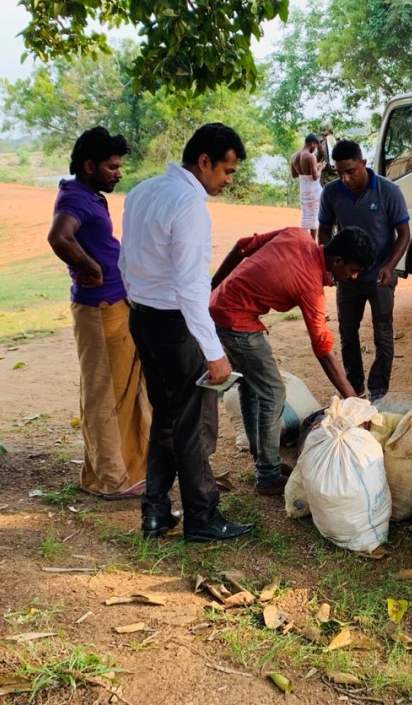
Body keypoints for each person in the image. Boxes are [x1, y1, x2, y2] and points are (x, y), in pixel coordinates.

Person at [118, 123, 254, 542]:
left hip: (142, 317)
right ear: (204, 162)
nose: (228, 181)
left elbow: (125, 261)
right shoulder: (190, 206)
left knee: (166, 415)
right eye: (227, 172)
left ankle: (156, 511)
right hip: (176, 326)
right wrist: (213, 352)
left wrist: (138, 306)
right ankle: (202, 517)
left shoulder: (142, 192)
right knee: (192, 423)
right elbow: (193, 289)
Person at [208, 227, 377, 495]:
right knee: (273, 393)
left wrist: (213, 286)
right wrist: (351, 396)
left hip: (224, 308)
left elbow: (242, 244)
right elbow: (322, 348)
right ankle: (268, 475)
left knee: (253, 387)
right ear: (338, 261)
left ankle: (264, 459)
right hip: (235, 321)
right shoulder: (310, 285)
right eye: (353, 270)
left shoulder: (297, 235)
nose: (352, 277)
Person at [47, 127, 150, 500]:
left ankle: (129, 468)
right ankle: (109, 480)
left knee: (123, 390)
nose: (118, 172)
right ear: (89, 165)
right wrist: (90, 267)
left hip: (114, 303)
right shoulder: (74, 197)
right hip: (99, 308)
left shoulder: (88, 194)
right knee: (104, 393)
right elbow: (59, 237)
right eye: (112, 166)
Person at [318, 140, 411, 402]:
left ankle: (379, 392)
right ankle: (355, 390)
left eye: (350, 171)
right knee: (348, 333)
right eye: (339, 173)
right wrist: (330, 266)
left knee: (382, 333)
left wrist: (389, 267)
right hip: (347, 277)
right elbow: (324, 229)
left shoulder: (389, 191)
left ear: (363, 164)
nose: (345, 178)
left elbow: (403, 233)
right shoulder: (331, 193)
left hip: (380, 276)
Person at [290, 134, 325, 239]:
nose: (315, 149)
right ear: (312, 144)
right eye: (316, 146)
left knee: (305, 215)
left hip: (303, 189)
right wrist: (321, 168)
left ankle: (304, 240)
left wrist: (314, 166)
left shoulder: (294, 156)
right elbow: (315, 177)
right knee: (314, 215)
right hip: (313, 190)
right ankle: (312, 241)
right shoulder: (310, 156)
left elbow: (294, 175)